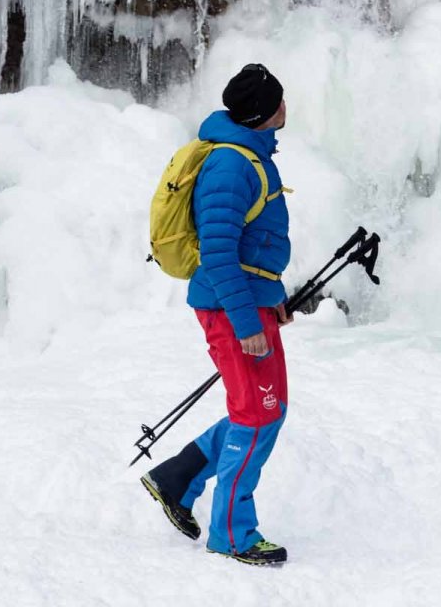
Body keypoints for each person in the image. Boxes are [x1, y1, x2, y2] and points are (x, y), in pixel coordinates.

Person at [141, 64, 293, 567]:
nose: (285, 105)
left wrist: (271, 296)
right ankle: (232, 534)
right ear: (263, 113)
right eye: (279, 99)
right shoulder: (230, 166)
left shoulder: (250, 155)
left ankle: (177, 477)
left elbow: (255, 244)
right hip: (231, 312)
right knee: (256, 416)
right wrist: (248, 323)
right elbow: (218, 251)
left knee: (263, 411)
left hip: (249, 303)